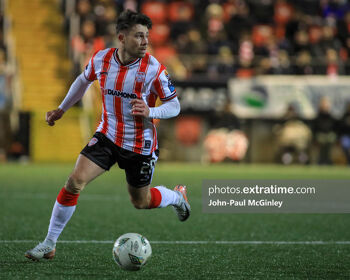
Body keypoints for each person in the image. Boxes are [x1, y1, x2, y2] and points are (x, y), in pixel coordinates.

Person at [25, 10, 190, 261]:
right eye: (138, 36)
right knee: (74, 182)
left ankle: (177, 197)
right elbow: (82, 81)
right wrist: (62, 109)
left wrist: (151, 110)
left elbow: (174, 105)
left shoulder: (154, 69)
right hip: (107, 135)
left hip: (139, 145)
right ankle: (49, 243)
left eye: (146, 36)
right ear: (121, 38)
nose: (145, 41)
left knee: (140, 202)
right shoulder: (102, 59)